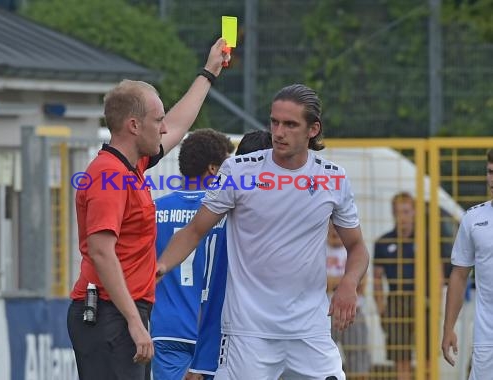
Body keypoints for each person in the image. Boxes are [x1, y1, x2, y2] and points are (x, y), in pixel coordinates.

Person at [157, 84, 370, 379]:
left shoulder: (332, 178)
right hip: (248, 334)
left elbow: (357, 247)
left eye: (290, 124)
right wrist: (160, 266)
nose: (278, 132)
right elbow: (195, 230)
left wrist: (349, 282)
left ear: (313, 129)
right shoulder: (238, 172)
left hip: (309, 331)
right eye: (274, 122)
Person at [67, 38, 230, 380]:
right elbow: (101, 252)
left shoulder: (132, 165)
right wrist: (132, 321)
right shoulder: (108, 175)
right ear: (133, 126)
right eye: (158, 119)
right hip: (110, 316)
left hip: (123, 312)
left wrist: (208, 73)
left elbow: (180, 122)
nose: (165, 127)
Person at [186, 130, 273, 380]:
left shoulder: (222, 216)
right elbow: (219, 296)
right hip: (236, 341)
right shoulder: (238, 228)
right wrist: (203, 361)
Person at [150, 128, 233, 380]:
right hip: (211, 330)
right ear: (213, 169)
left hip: (166, 327)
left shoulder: (154, 209)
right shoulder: (223, 212)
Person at [373, 191, 440, 380]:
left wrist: (436, 305)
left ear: (414, 213)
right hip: (396, 302)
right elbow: (376, 279)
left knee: (427, 359)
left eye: (406, 211)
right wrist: (381, 310)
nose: (403, 217)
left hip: (423, 301)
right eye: (398, 212)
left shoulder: (427, 240)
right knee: (401, 360)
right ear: (393, 214)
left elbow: (438, 273)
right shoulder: (383, 242)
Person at [442, 149, 493, 380]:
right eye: (490, 172)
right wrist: (448, 327)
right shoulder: (473, 219)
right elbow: (459, 275)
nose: (492, 178)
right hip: (487, 337)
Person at [326, 221, 371, 380]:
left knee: (358, 363)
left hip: (353, 313)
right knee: (322, 363)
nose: (334, 231)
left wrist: (333, 283)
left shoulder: (354, 252)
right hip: (325, 315)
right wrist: (347, 281)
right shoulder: (319, 251)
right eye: (331, 227)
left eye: (337, 228)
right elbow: (318, 281)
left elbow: (362, 282)